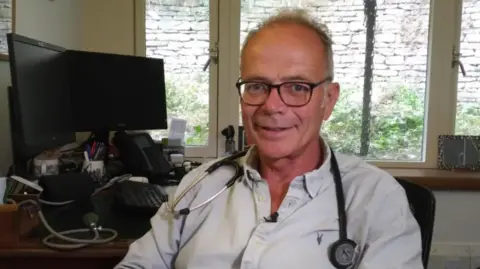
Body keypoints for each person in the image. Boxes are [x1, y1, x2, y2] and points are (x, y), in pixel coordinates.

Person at [115, 8, 423, 269]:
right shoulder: (198, 186)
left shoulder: (378, 202)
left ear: (328, 100)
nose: (272, 106)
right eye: (257, 86)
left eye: (297, 87)